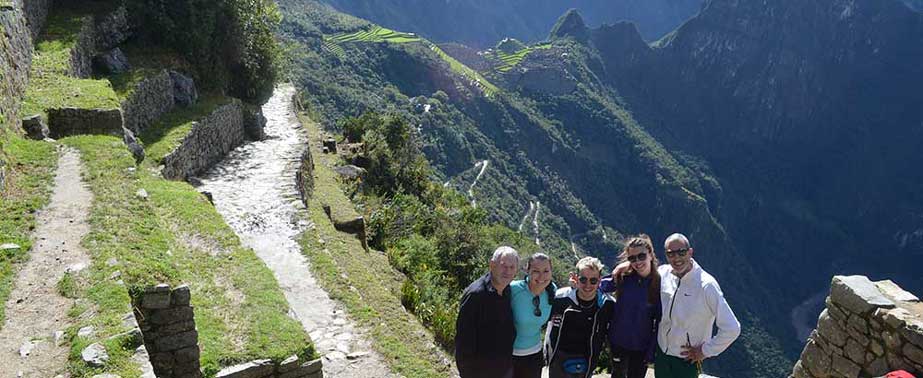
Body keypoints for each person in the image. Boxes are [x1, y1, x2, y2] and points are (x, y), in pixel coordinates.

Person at [616, 233, 740, 378]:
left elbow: (732, 328)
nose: (676, 258)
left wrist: (705, 351)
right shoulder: (663, 273)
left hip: (686, 360)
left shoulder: (706, 286)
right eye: (671, 254)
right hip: (662, 355)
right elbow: (645, 268)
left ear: (690, 252)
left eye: (681, 252)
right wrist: (626, 265)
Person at [599, 235, 662, 378]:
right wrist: (617, 270)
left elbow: (659, 322)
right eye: (632, 258)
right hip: (617, 341)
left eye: (641, 256)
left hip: (641, 346)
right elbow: (601, 287)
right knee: (618, 375)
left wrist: (651, 351)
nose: (637, 262)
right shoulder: (624, 277)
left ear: (650, 255)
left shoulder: (658, 285)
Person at [455, 246, 521, 378]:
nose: (507, 271)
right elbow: (463, 341)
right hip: (480, 372)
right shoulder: (476, 294)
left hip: (504, 368)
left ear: (516, 271)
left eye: (512, 267)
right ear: (492, 265)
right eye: (503, 266)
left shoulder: (507, 290)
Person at [544, 256, 615, 378]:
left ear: (599, 280)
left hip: (588, 359)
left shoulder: (608, 305)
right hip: (558, 358)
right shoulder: (561, 298)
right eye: (583, 280)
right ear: (576, 279)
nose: (588, 285)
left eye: (593, 281)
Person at [510, 253, 557, 378]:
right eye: (536, 271)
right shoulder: (513, 290)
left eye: (546, 271)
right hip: (509, 355)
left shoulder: (551, 291)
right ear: (528, 271)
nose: (541, 276)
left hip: (534, 355)